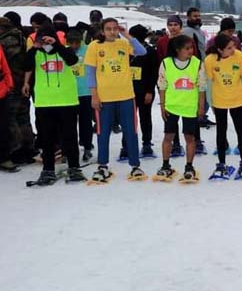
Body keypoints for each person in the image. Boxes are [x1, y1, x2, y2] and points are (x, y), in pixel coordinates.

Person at [84, 18, 148, 183]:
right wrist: (94, 95)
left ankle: (135, 165)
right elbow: (90, 73)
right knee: (103, 132)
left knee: (131, 132)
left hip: (126, 96)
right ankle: (103, 166)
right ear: (102, 31)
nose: (112, 32)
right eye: (108, 29)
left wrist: (127, 35)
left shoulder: (123, 44)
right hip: (104, 98)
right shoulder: (94, 46)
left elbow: (142, 51)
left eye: (115, 28)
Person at [22, 25, 86, 185]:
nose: (46, 42)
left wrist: (56, 44)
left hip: (67, 100)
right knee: (47, 138)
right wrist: (34, 48)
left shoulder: (64, 50)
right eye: (42, 38)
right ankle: (48, 169)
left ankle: (74, 167)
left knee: (70, 136)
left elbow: (72, 60)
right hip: (45, 102)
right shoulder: (36, 53)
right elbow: (25, 65)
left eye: (48, 38)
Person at [156, 35, 206, 183]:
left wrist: (201, 106)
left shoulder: (197, 63)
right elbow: (162, 85)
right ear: (178, 50)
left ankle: (189, 166)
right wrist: (162, 105)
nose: (191, 51)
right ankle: (165, 165)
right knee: (168, 137)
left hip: (190, 107)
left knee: (189, 138)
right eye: (187, 48)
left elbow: (202, 87)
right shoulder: (166, 63)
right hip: (172, 106)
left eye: (191, 48)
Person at [205, 33, 242, 180]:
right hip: (219, 100)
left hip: (237, 99)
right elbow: (209, 82)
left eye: (234, 46)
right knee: (221, 131)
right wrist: (210, 101)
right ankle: (221, 163)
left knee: (240, 129)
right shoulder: (210, 60)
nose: (233, 50)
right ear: (220, 50)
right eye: (229, 48)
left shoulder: (239, 56)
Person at [0, 16, 37, 165]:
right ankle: (29, 147)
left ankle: (17, 150)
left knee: (11, 118)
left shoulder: (6, 42)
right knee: (24, 116)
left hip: (12, 84)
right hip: (24, 82)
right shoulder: (22, 37)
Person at [121, 25, 159, 160]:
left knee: (145, 117)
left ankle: (147, 143)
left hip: (144, 90)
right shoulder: (125, 50)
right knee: (128, 119)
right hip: (127, 90)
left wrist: (150, 91)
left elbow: (154, 73)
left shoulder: (150, 51)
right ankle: (126, 145)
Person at [156, 15, 190, 157]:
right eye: (170, 24)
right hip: (168, 80)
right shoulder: (162, 41)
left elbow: (193, 57)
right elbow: (159, 59)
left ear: (180, 26)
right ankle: (175, 143)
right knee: (171, 114)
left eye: (176, 24)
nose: (173, 27)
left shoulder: (187, 40)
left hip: (186, 80)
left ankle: (194, 140)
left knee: (189, 114)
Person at [66, 29, 95, 162]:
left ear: (80, 41)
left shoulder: (89, 50)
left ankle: (87, 147)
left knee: (86, 122)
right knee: (69, 124)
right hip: (69, 93)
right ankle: (69, 150)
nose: (74, 46)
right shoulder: (64, 51)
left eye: (76, 43)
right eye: (71, 43)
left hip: (86, 92)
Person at [184, 6, 213, 132]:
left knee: (205, 94)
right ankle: (197, 118)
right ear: (189, 17)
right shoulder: (187, 31)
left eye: (199, 16)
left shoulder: (199, 31)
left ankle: (202, 116)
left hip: (203, 65)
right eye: (195, 16)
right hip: (194, 68)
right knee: (200, 94)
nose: (197, 18)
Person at [0, 44, 13, 173]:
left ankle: (4, 158)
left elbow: (4, 65)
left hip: (1, 92)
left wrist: (9, 83)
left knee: (3, 127)